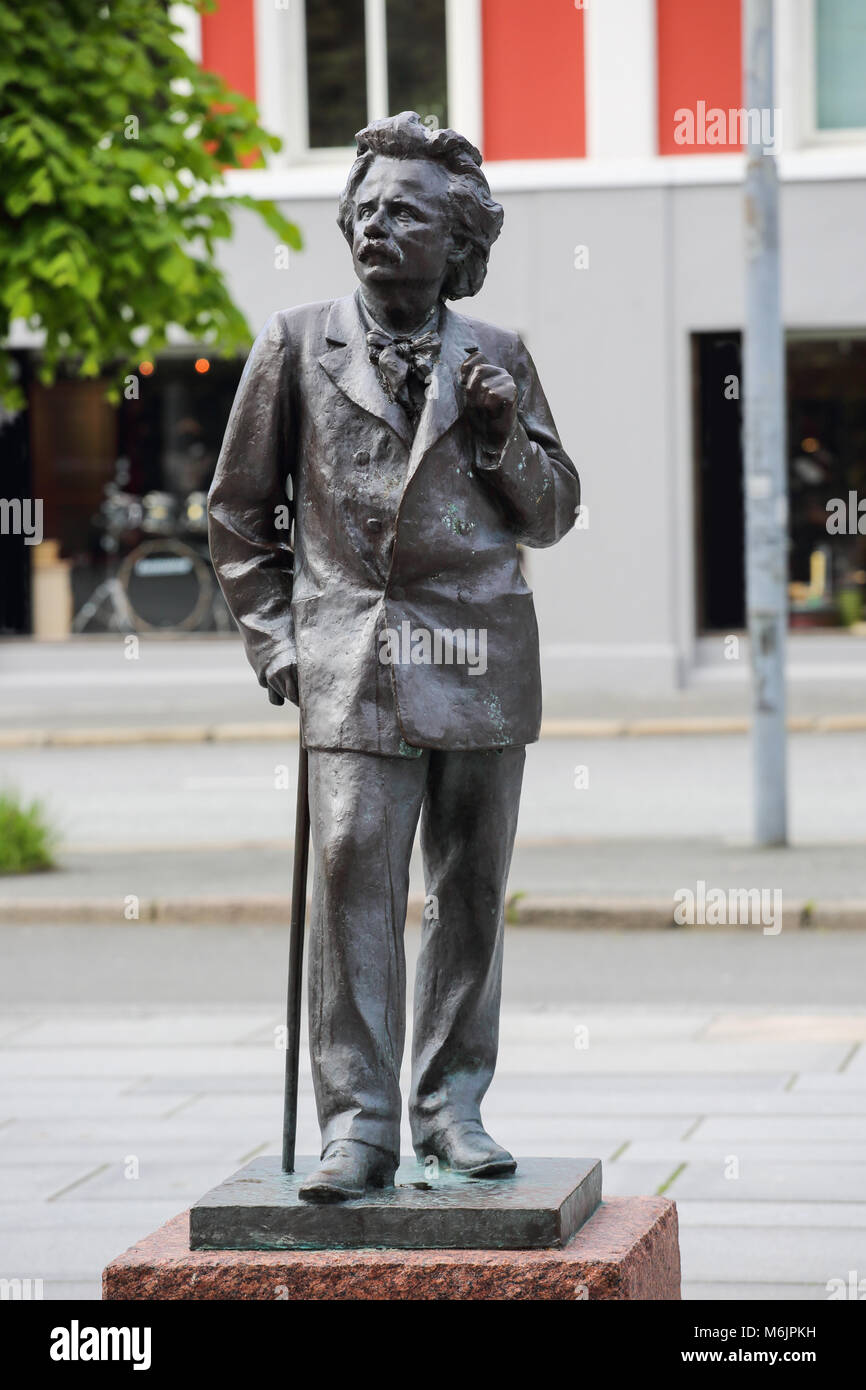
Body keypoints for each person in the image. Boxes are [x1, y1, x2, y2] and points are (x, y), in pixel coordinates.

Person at [208, 112, 580, 1202]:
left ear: (456, 239)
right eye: (363, 210)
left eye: (404, 212)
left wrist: (506, 437)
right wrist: (280, 643)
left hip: (479, 663)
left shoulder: (499, 355)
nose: (375, 227)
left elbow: (553, 514)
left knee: (468, 896)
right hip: (350, 662)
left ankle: (452, 1107)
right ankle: (358, 1126)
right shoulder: (293, 341)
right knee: (352, 886)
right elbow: (237, 516)